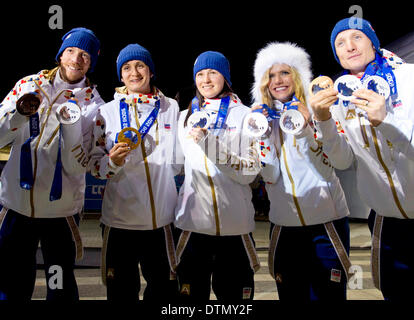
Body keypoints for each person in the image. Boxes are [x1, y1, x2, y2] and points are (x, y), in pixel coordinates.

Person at [310, 17, 414, 300]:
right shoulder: (343, 95)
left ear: (373, 41)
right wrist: (324, 120)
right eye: (340, 43)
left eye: (357, 37)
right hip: (386, 222)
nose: (349, 46)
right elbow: (343, 161)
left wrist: (387, 122)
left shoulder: (409, 78)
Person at [0, 27, 103, 300]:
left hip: (61, 214)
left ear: (91, 62)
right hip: (18, 206)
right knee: (12, 285)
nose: (76, 59)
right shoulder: (28, 85)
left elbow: (79, 165)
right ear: (60, 54)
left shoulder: (94, 105)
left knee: (59, 287)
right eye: (71, 51)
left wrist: (71, 131)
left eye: (85, 55)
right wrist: (19, 115)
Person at [251, 42, 351, 300]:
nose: (278, 80)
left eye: (284, 72)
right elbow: (270, 176)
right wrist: (262, 137)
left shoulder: (320, 108)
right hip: (284, 225)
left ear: (297, 76)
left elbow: (337, 164)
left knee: (329, 297)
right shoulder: (262, 118)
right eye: (271, 75)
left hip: (326, 223)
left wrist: (306, 127)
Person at [89, 44, 180, 301]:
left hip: (161, 223)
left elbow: (180, 159)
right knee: (120, 294)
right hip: (118, 225)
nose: (134, 72)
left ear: (150, 71)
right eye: (126, 68)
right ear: (120, 76)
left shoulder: (170, 107)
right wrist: (112, 162)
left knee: (164, 294)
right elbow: (94, 166)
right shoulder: (104, 113)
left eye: (140, 65)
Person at [174, 51, 261, 300]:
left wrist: (210, 145)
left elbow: (250, 172)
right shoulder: (184, 118)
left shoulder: (246, 116)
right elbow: (172, 167)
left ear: (225, 76)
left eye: (213, 72)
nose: (206, 79)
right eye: (200, 74)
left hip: (236, 229)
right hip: (192, 228)